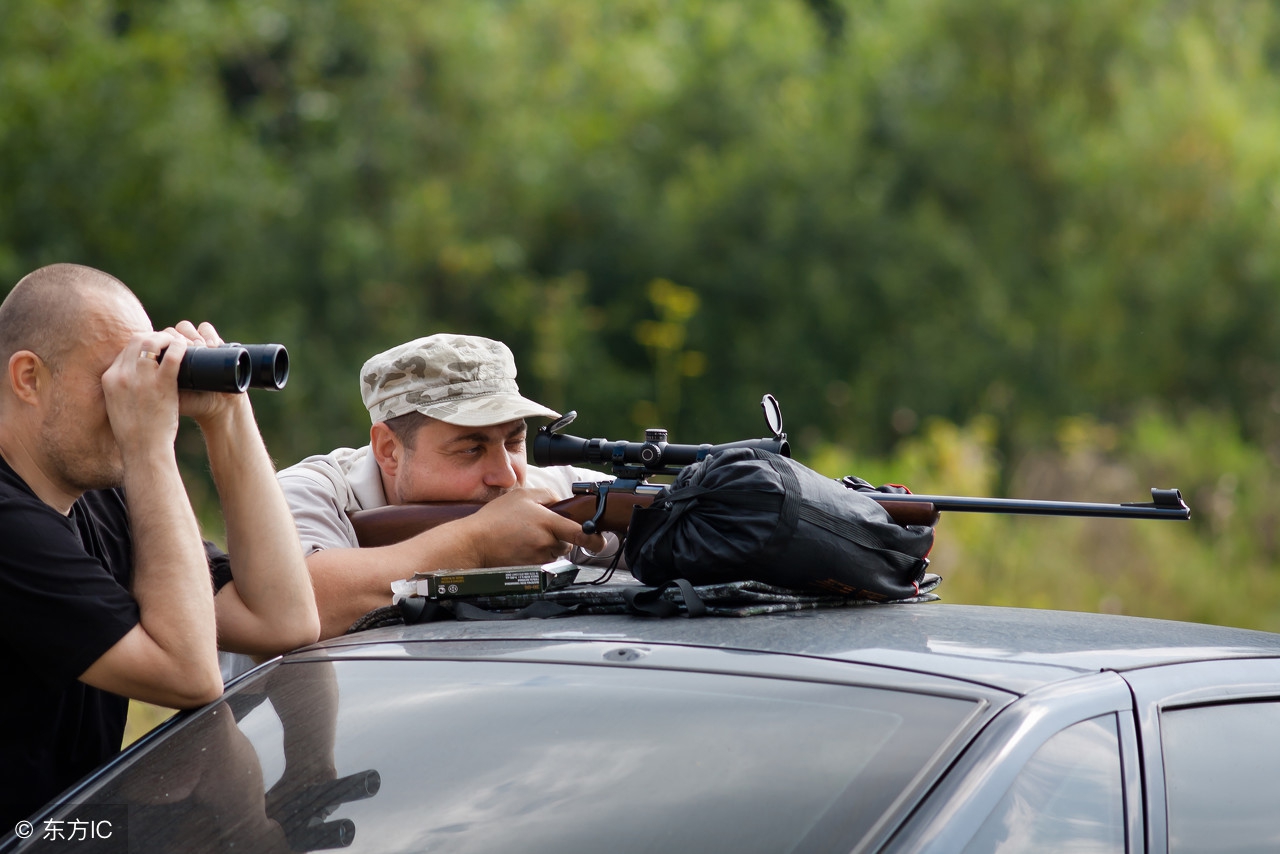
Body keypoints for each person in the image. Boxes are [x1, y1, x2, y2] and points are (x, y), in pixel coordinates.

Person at [0, 264, 320, 826]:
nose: (137, 391)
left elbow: (284, 621)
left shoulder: (103, 500)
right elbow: (190, 674)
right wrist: (150, 446)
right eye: (113, 375)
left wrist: (228, 417)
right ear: (28, 378)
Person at [278, 334, 610, 639]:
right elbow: (292, 606)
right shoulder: (303, 494)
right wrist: (476, 543)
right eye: (471, 449)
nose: (507, 476)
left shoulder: (546, 490)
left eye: (514, 441)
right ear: (388, 450)